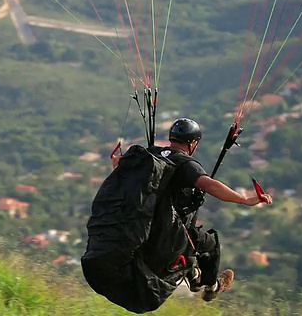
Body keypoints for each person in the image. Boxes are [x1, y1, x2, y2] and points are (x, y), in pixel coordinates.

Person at [110, 117, 273, 302]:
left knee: (189, 235)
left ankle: (194, 274)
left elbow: (123, 167)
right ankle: (211, 287)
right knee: (210, 243)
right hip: (170, 232)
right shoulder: (186, 164)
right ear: (193, 143)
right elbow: (211, 186)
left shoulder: (151, 153)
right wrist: (244, 199)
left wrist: (117, 163)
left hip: (144, 224)